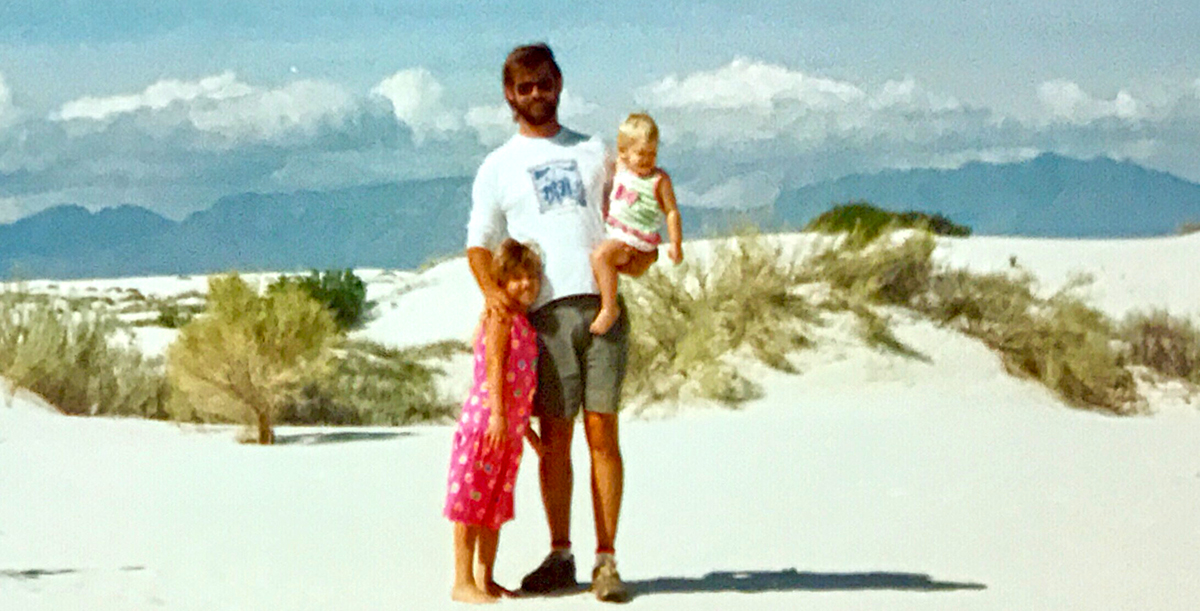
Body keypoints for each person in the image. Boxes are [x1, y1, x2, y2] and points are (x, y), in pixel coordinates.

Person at [464, 43, 633, 603]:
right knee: (556, 439)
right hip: (544, 318)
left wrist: (645, 253)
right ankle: (562, 554)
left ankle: (606, 559)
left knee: (602, 432)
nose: (536, 94)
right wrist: (493, 297)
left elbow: (627, 217)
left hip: (601, 306)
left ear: (559, 82)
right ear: (509, 95)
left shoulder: (593, 150)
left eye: (544, 82)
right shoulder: (498, 165)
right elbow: (479, 244)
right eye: (525, 86)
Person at [445, 238, 545, 604]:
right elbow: (495, 367)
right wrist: (499, 416)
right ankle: (462, 580)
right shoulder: (500, 317)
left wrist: (527, 431)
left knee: (494, 507)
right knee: (470, 502)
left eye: (531, 277)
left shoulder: (524, 324)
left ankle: (485, 579)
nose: (525, 284)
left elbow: (522, 385)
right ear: (501, 282)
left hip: (510, 431)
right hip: (487, 424)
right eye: (516, 278)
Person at [589, 113, 684, 334]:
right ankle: (604, 297)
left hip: (637, 241)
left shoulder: (658, 180)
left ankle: (609, 308)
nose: (647, 160)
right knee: (599, 262)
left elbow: (671, 212)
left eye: (652, 154)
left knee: (601, 256)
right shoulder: (621, 170)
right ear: (624, 152)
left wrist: (676, 243)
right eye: (641, 153)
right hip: (618, 233)